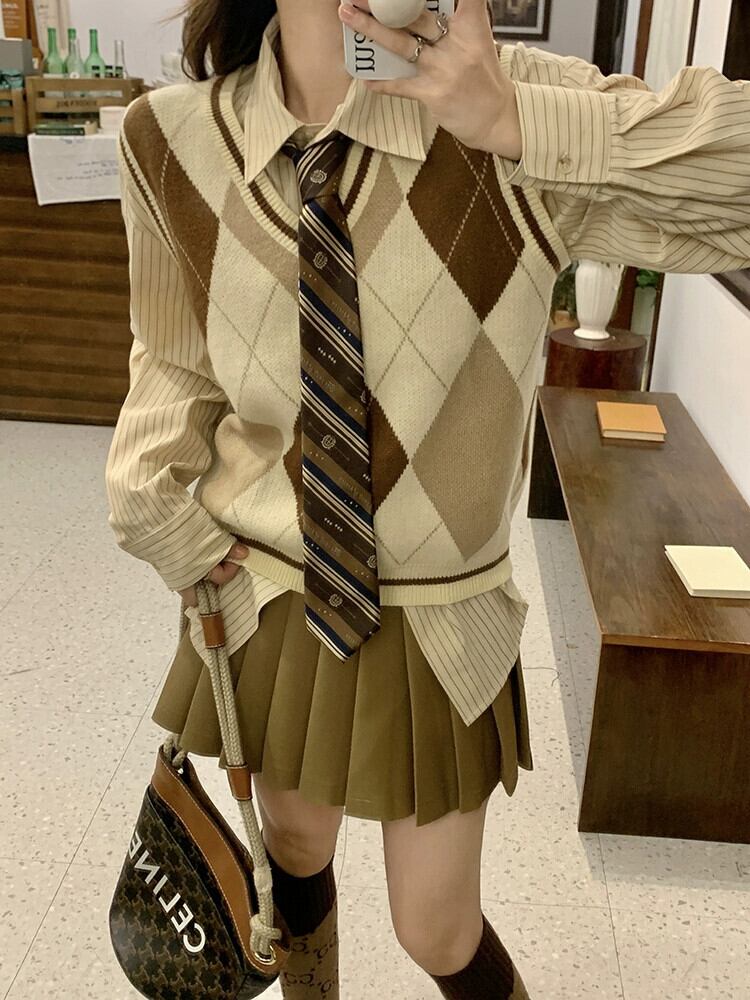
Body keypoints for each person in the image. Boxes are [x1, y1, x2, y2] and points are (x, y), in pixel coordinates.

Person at [105, 1, 750, 997]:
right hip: (266, 592)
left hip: (443, 619)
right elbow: (175, 353)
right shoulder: (172, 137)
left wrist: (517, 125)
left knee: (437, 927)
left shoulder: (513, 108)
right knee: (291, 856)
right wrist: (150, 492)